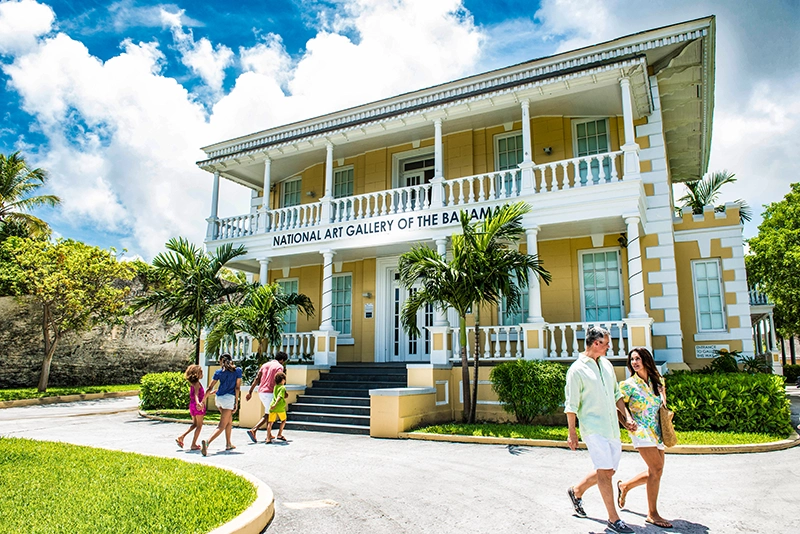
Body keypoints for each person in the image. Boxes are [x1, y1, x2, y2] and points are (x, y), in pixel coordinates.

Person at [565, 326, 637, 534]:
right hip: (593, 428)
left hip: (612, 428)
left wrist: (627, 417)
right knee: (605, 473)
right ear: (596, 343)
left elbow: (616, 394)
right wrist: (572, 432)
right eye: (606, 343)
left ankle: (576, 491)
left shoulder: (606, 365)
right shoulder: (577, 370)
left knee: (608, 470)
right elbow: (571, 405)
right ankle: (614, 520)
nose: (609, 347)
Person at [616, 347, 673, 529]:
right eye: (632, 359)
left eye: (638, 358)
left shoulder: (658, 381)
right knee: (656, 468)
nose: (634, 362)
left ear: (646, 360)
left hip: (656, 431)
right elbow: (617, 405)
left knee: (656, 471)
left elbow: (662, 405)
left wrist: (662, 393)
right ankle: (652, 514)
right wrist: (628, 420)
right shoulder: (628, 384)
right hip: (640, 430)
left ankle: (625, 486)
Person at [201, 354, 242, 456]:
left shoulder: (218, 372)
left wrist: (203, 401)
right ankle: (207, 442)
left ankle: (228, 443)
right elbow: (237, 388)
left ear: (221, 361)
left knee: (229, 421)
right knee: (222, 425)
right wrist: (236, 402)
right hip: (229, 399)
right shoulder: (237, 371)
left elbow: (210, 387)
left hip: (219, 399)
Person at [244, 351, 288, 443]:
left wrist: (250, 391)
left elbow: (257, 378)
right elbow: (279, 380)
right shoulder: (279, 367)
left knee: (269, 413)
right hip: (270, 393)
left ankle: (269, 434)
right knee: (269, 414)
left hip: (261, 392)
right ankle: (254, 430)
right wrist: (284, 392)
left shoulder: (265, 365)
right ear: (282, 360)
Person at [176, 364, 206, 451]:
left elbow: (198, 395)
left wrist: (210, 393)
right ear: (197, 374)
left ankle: (181, 437)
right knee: (199, 426)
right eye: (201, 372)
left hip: (192, 405)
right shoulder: (197, 384)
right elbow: (196, 395)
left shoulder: (192, 384)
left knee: (194, 424)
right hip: (197, 406)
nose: (202, 373)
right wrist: (198, 404)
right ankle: (193, 444)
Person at [265, 372, 288, 444]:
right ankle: (279, 434)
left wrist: (273, 405)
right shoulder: (283, 387)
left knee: (270, 422)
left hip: (272, 406)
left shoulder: (275, 387)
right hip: (279, 407)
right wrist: (276, 404)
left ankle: (268, 438)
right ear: (283, 380)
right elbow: (279, 396)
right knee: (283, 420)